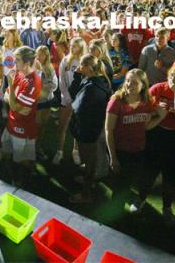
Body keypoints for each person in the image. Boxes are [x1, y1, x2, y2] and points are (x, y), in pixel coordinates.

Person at [133, 59, 175, 226]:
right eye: (172, 75)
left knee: (171, 175)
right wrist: (156, 113)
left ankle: (167, 207)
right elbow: (142, 112)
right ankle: (140, 198)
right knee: (149, 170)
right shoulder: (158, 88)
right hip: (157, 134)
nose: (173, 80)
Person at [105, 69, 168, 217]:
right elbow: (108, 130)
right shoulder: (116, 101)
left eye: (134, 83)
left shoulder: (147, 101)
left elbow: (144, 126)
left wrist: (159, 118)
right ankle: (115, 216)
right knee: (119, 187)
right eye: (127, 81)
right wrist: (113, 157)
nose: (129, 85)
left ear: (143, 85)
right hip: (119, 151)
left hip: (138, 150)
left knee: (127, 184)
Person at [68, 54, 112, 203]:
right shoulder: (96, 81)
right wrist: (77, 77)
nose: (79, 67)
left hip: (87, 131)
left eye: (81, 65)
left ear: (88, 67)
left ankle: (86, 194)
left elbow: (77, 106)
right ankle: (88, 181)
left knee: (89, 161)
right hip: (90, 129)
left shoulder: (92, 87)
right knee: (88, 161)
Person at [2, 46, 41, 185]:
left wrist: (11, 87)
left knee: (21, 161)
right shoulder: (18, 73)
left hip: (23, 129)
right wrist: (15, 104)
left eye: (17, 60)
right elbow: (6, 97)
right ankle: (14, 179)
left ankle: (22, 184)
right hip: (11, 123)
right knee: (7, 153)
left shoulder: (33, 82)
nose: (14, 63)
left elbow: (13, 104)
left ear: (27, 63)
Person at [54, 37, 88, 165]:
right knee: (62, 126)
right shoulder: (65, 60)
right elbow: (61, 80)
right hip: (66, 99)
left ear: (81, 47)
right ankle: (59, 152)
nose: (72, 47)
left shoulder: (84, 61)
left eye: (75, 46)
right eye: (71, 45)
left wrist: (78, 98)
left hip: (80, 99)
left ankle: (75, 151)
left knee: (77, 127)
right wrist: (67, 97)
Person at [35, 45, 58, 160]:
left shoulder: (49, 67)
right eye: (38, 53)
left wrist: (43, 86)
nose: (40, 56)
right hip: (37, 102)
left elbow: (54, 85)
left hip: (47, 100)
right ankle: (33, 148)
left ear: (46, 55)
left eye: (42, 54)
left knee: (43, 125)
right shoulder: (33, 66)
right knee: (36, 125)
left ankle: (38, 147)